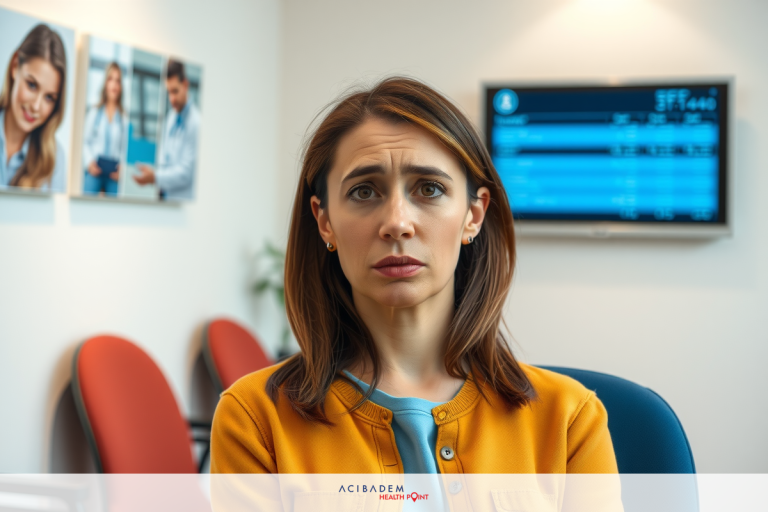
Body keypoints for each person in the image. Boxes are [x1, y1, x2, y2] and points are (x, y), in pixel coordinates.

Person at [210, 77, 618, 476]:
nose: (397, 224)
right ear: (324, 220)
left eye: (429, 189)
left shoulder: (570, 419)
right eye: (364, 191)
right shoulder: (255, 419)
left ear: (473, 215)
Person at [0, 24, 67, 192]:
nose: (36, 106)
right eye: (32, 85)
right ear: (15, 66)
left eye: (49, 97)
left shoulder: (55, 160)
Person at [132, 58, 199, 201]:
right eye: (169, 92)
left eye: (175, 91)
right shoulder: (170, 117)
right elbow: (165, 158)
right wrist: (154, 174)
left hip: (182, 201)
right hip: (165, 197)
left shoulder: (196, 122)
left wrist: (155, 177)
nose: (172, 99)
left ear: (185, 85)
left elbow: (185, 174)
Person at [82, 61, 124, 197]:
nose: (114, 85)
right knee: (86, 197)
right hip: (96, 169)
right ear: (105, 83)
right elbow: (85, 142)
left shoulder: (124, 117)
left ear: (121, 86)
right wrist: (89, 163)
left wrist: (122, 169)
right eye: (111, 79)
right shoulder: (94, 112)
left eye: (118, 81)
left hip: (114, 174)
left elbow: (125, 148)